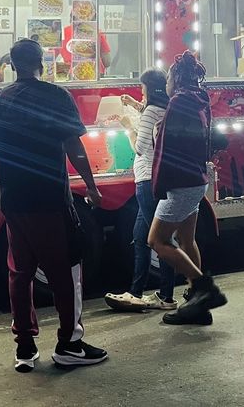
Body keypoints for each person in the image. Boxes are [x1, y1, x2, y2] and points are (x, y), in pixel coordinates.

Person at [0, 38, 108, 373]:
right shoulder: (56, 96)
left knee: (19, 272)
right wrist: (91, 187)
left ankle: (25, 347)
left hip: (14, 202)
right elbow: (73, 147)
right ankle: (69, 344)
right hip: (49, 199)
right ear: (42, 62)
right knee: (66, 271)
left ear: (12, 64)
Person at [147, 51, 227, 325]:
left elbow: (168, 147)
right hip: (194, 179)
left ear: (176, 79)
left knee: (156, 241)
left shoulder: (180, 101)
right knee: (186, 240)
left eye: (168, 77)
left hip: (180, 182)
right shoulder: (198, 100)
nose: (165, 84)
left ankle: (204, 289)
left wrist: (160, 131)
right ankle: (198, 304)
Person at [104, 69, 176, 312]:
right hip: (154, 180)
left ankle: (165, 296)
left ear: (150, 89)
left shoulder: (151, 113)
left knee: (158, 240)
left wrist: (127, 127)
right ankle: (137, 292)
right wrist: (135, 105)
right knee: (141, 239)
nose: (140, 93)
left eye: (142, 89)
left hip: (146, 180)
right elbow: (149, 115)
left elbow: (141, 148)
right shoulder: (163, 108)